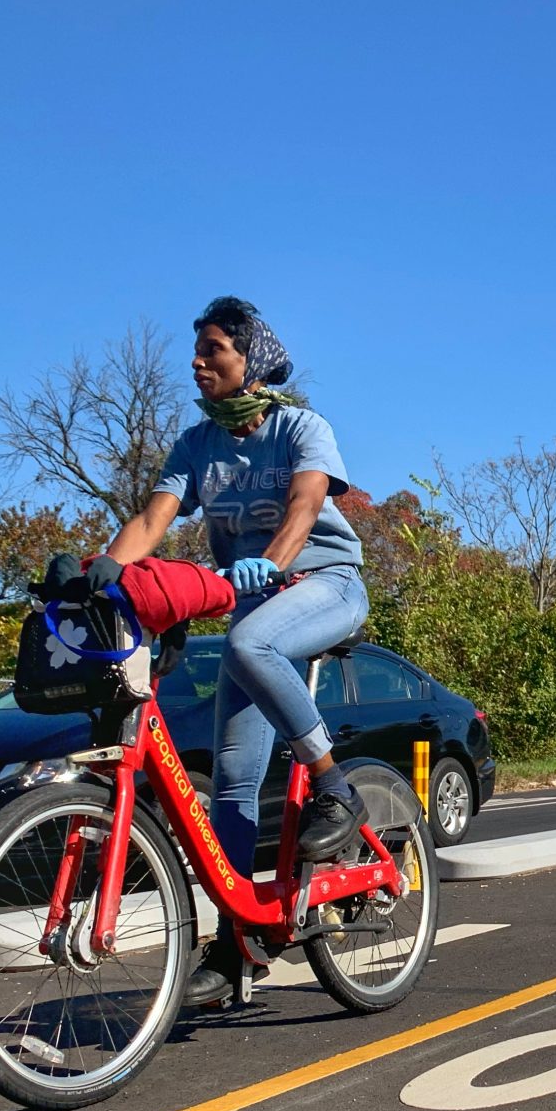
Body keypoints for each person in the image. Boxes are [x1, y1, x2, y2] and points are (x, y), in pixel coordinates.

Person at [94, 296, 370, 1004]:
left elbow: (308, 502)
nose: (197, 361)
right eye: (198, 350)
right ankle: (233, 947)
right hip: (251, 602)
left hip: (325, 583)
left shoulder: (298, 426)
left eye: (214, 348)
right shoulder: (196, 446)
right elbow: (154, 517)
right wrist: (100, 577)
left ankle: (336, 789)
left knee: (247, 640)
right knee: (233, 780)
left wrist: (274, 562)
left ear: (251, 360)